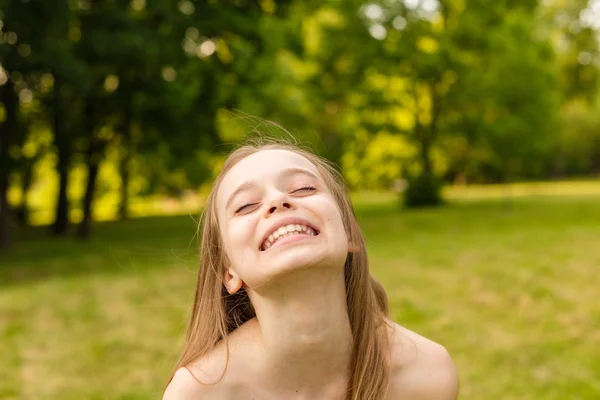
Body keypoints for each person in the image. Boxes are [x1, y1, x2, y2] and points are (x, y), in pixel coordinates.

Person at [163, 138, 459, 399]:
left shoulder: (426, 373)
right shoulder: (199, 394)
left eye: (303, 188)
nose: (278, 201)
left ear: (351, 234)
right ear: (228, 272)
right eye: (245, 205)